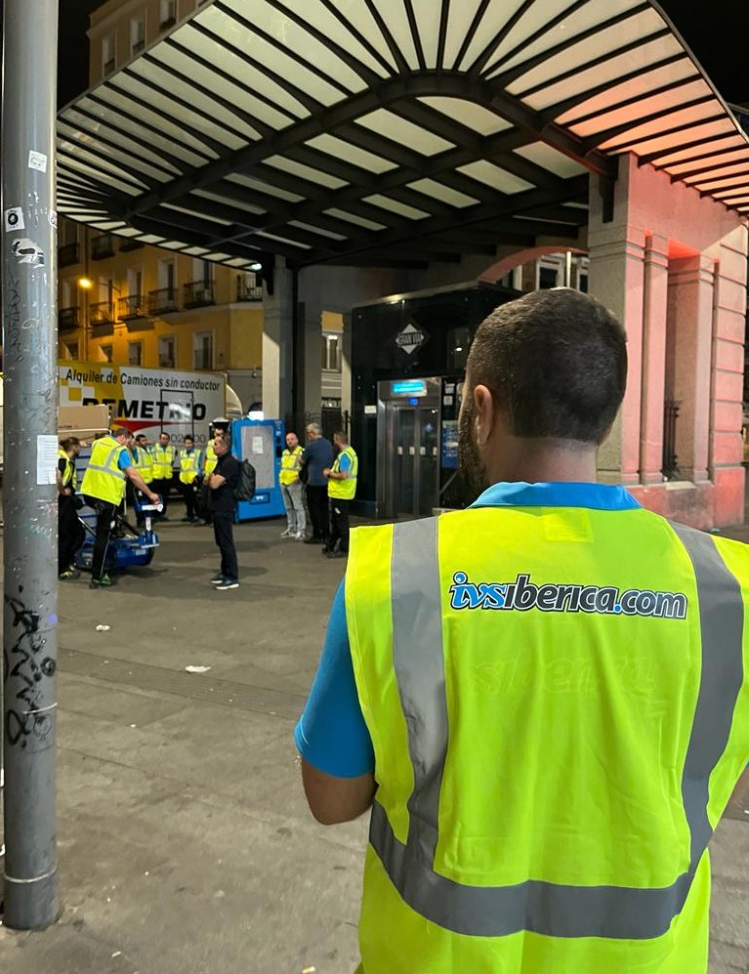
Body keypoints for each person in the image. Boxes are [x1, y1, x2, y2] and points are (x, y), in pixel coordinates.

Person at [294, 288, 749, 974]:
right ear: (608, 416)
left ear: (481, 409)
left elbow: (331, 798)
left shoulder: (396, 575)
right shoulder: (727, 588)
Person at [81, 427, 160, 589]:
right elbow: (133, 475)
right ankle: (98, 576)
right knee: (103, 536)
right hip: (106, 497)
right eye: (129, 440)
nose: (130, 444)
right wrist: (150, 494)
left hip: (89, 493)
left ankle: (112, 538)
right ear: (123, 438)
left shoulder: (98, 443)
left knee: (111, 523)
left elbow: (89, 443)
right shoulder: (120, 450)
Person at [206, 435, 240, 590]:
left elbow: (212, 484)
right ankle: (225, 571)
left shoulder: (229, 463)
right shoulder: (221, 462)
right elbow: (208, 479)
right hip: (217, 506)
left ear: (224, 446)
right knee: (220, 542)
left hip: (224, 506)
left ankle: (232, 577)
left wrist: (213, 479)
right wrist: (212, 478)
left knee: (226, 543)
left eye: (216, 444)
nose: (213, 447)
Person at [322, 430, 357, 558]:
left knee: (341, 523)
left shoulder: (345, 456)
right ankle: (330, 545)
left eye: (334, 440)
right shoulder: (350, 453)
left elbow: (343, 475)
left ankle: (344, 549)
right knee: (336, 522)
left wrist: (329, 473)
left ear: (337, 440)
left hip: (341, 493)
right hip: (342, 493)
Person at [57, 437, 85, 580]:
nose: (80, 449)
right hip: (63, 502)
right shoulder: (62, 459)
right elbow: (58, 476)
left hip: (67, 502)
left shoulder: (68, 460)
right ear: (74, 447)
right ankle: (62, 568)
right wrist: (63, 491)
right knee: (66, 536)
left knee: (78, 534)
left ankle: (67, 562)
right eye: (79, 446)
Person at [301, 423, 333, 545]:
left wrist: (300, 458)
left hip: (313, 482)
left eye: (308, 433)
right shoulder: (328, 444)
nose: (307, 435)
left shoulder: (311, 447)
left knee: (314, 509)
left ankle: (317, 534)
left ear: (313, 433)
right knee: (324, 508)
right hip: (325, 481)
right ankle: (326, 533)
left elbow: (303, 461)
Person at [279, 431, 307, 541]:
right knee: (288, 507)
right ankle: (291, 528)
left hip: (295, 483)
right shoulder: (285, 452)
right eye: (288, 440)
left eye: (292, 439)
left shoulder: (301, 452)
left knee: (298, 507)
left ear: (297, 440)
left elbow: (305, 469)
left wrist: (299, 479)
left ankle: (301, 530)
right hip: (284, 482)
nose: (289, 441)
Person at [151, 431, 176, 521]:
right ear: (159, 439)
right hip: (157, 477)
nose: (164, 440)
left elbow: (172, 462)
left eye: (166, 439)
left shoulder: (172, 449)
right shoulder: (154, 448)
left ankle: (162, 514)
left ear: (168, 440)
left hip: (167, 477)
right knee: (156, 497)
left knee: (165, 497)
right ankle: (155, 514)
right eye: (163, 439)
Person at [178, 435, 203, 523]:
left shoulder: (198, 453)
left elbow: (200, 466)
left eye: (190, 443)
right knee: (187, 499)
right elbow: (182, 466)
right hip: (184, 480)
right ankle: (189, 515)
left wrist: (197, 476)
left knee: (195, 499)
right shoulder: (182, 453)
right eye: (186, 443)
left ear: (193, 444)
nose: (188, 445)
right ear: (184, 444)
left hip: (194, 479)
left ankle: (199, 515)